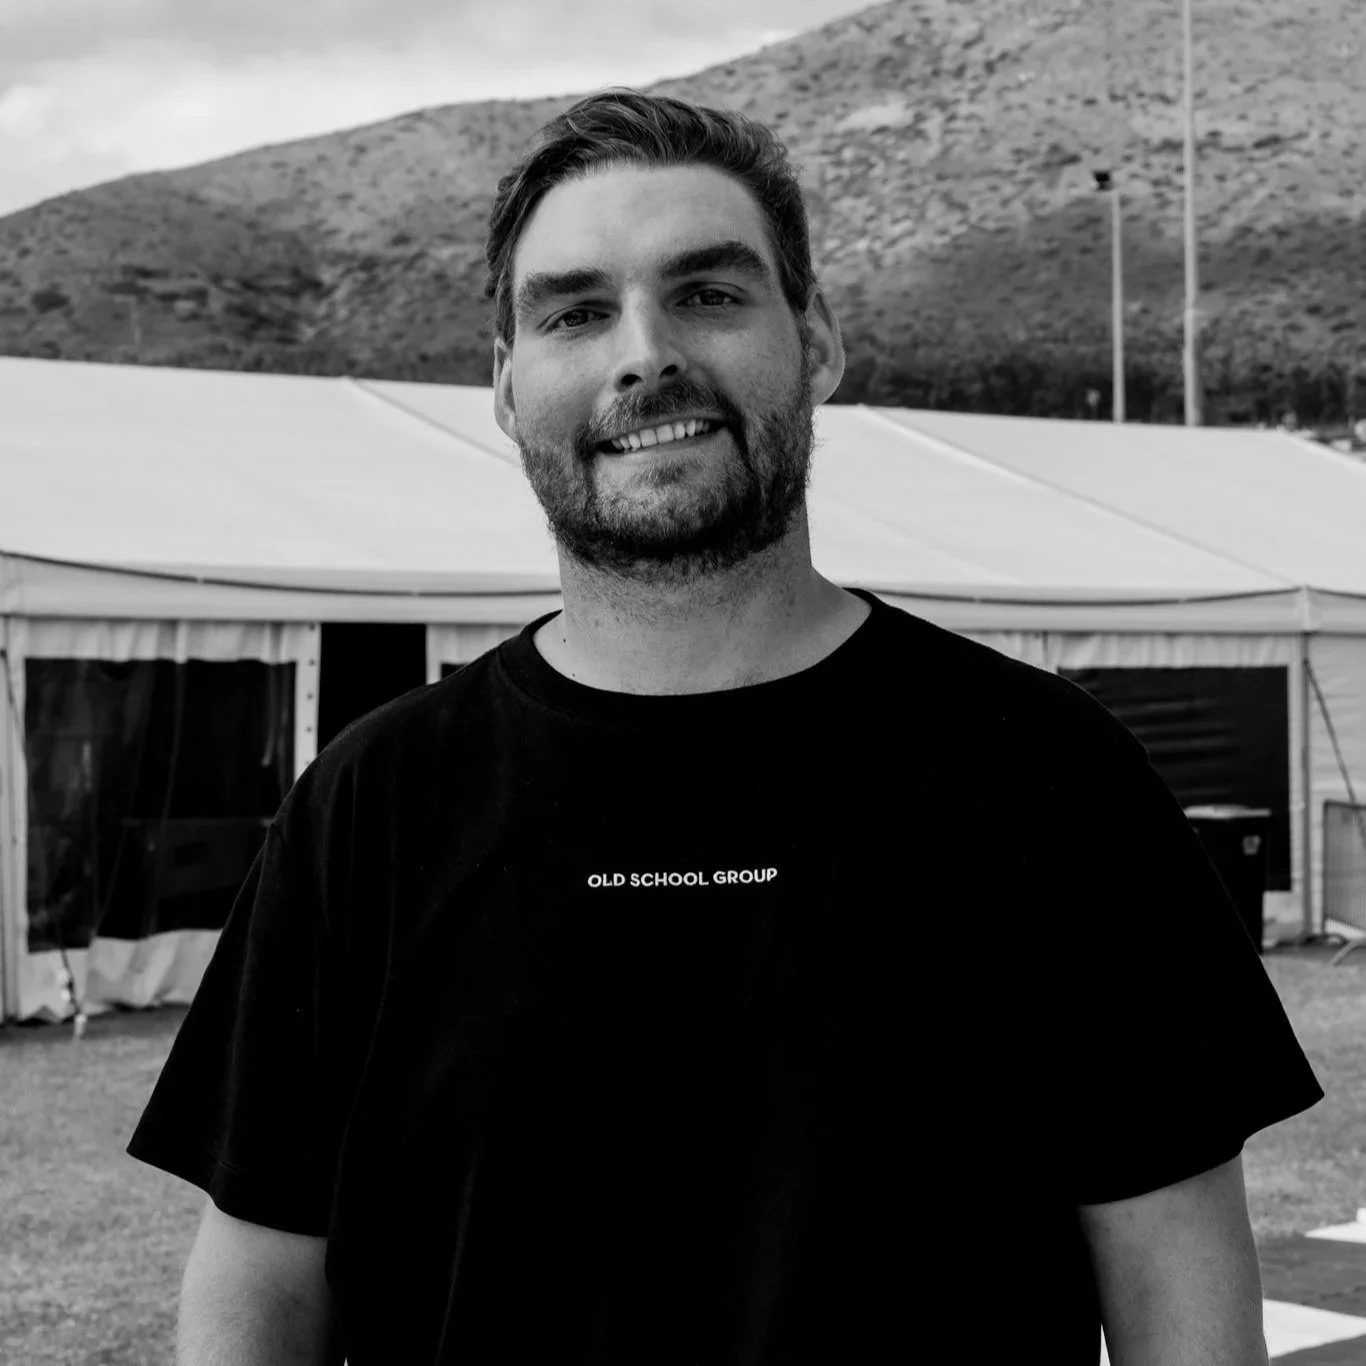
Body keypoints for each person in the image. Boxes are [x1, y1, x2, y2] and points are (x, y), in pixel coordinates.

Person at [128, 88, 1323, 1366]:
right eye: (576, 312)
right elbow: (258, 1289)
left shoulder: (1044, 771)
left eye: (706, 293)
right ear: (506, 385)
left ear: (816, 341)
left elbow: (1177, 1287)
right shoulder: (372, 802)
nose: (644, 355)